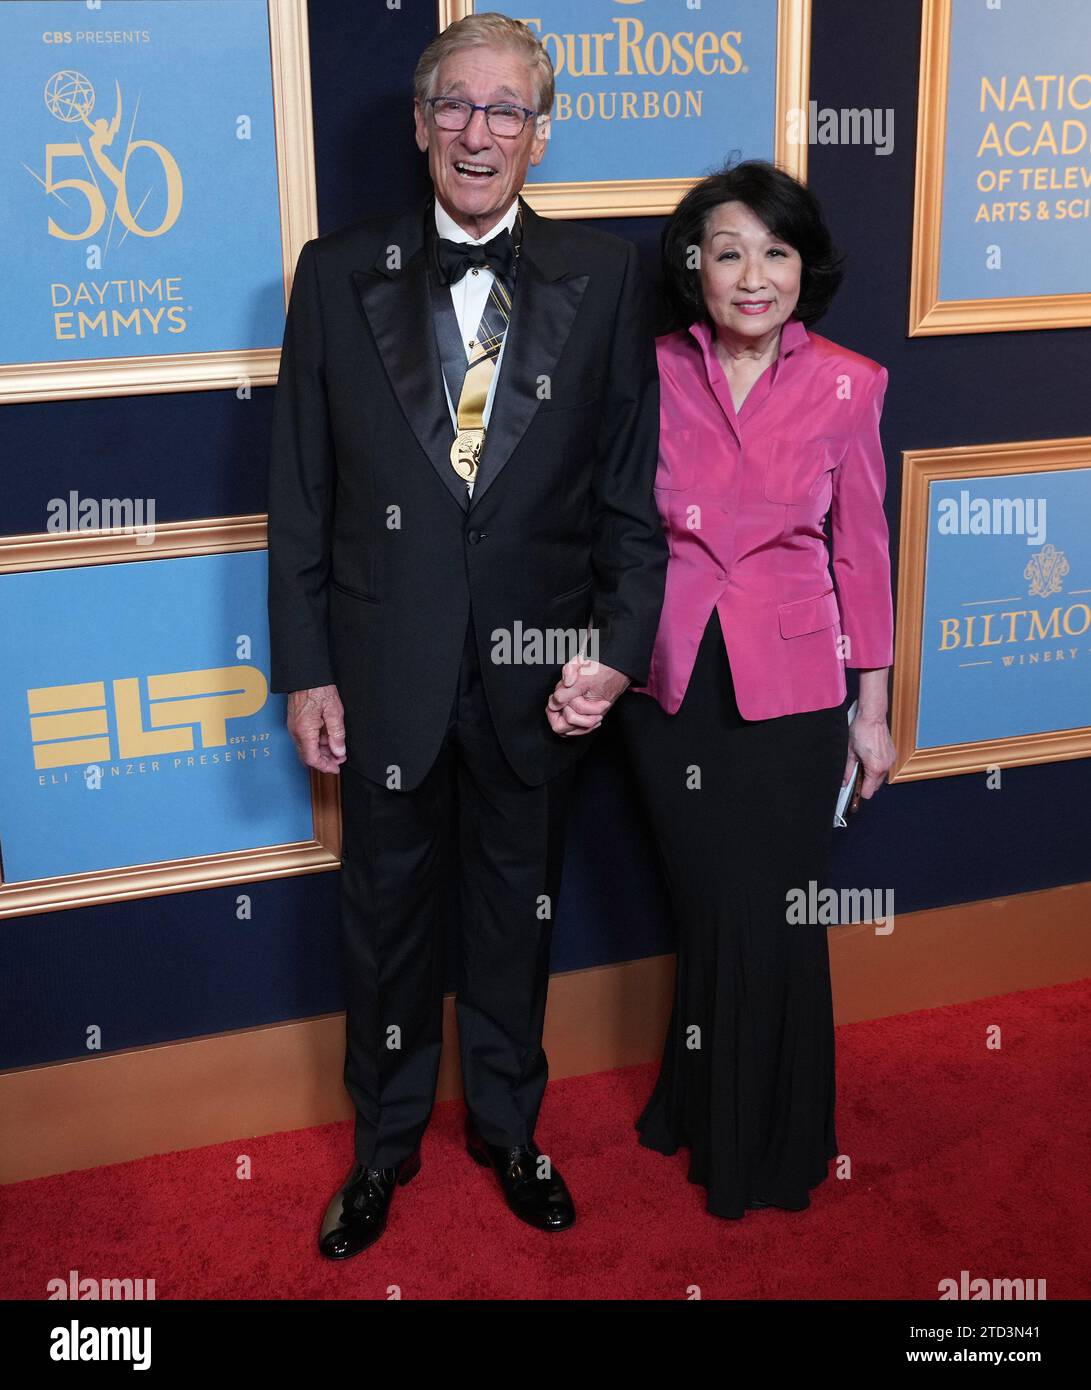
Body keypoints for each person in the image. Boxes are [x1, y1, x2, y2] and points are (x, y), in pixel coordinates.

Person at [266, 12, 666, 1259]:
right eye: (455, 106)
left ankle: (507, 1125)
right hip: (383, 671)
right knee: (382, 921)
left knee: (514, 913)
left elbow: (627, 503)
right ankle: (382, 1147)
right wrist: (307, 669)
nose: (477, 133)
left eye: (505, 111)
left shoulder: (604, 283)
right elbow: (300, 496)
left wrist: (615, 646)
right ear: (421, 125)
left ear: (539, 137)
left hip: (537, 682)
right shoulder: (335, 275)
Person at [615, 160, 896, 1219]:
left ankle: (768, 1138)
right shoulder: (644, 370)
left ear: (801, 267)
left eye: (774, 252)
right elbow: (613, 527)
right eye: (727, 251)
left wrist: (869, 712)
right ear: (693, 266)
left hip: (791, 688)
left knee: (772, 911)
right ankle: (699, 1097)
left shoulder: (847, 383)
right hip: (670, 678)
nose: (751, 275)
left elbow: (860, 555)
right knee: (708, 906)